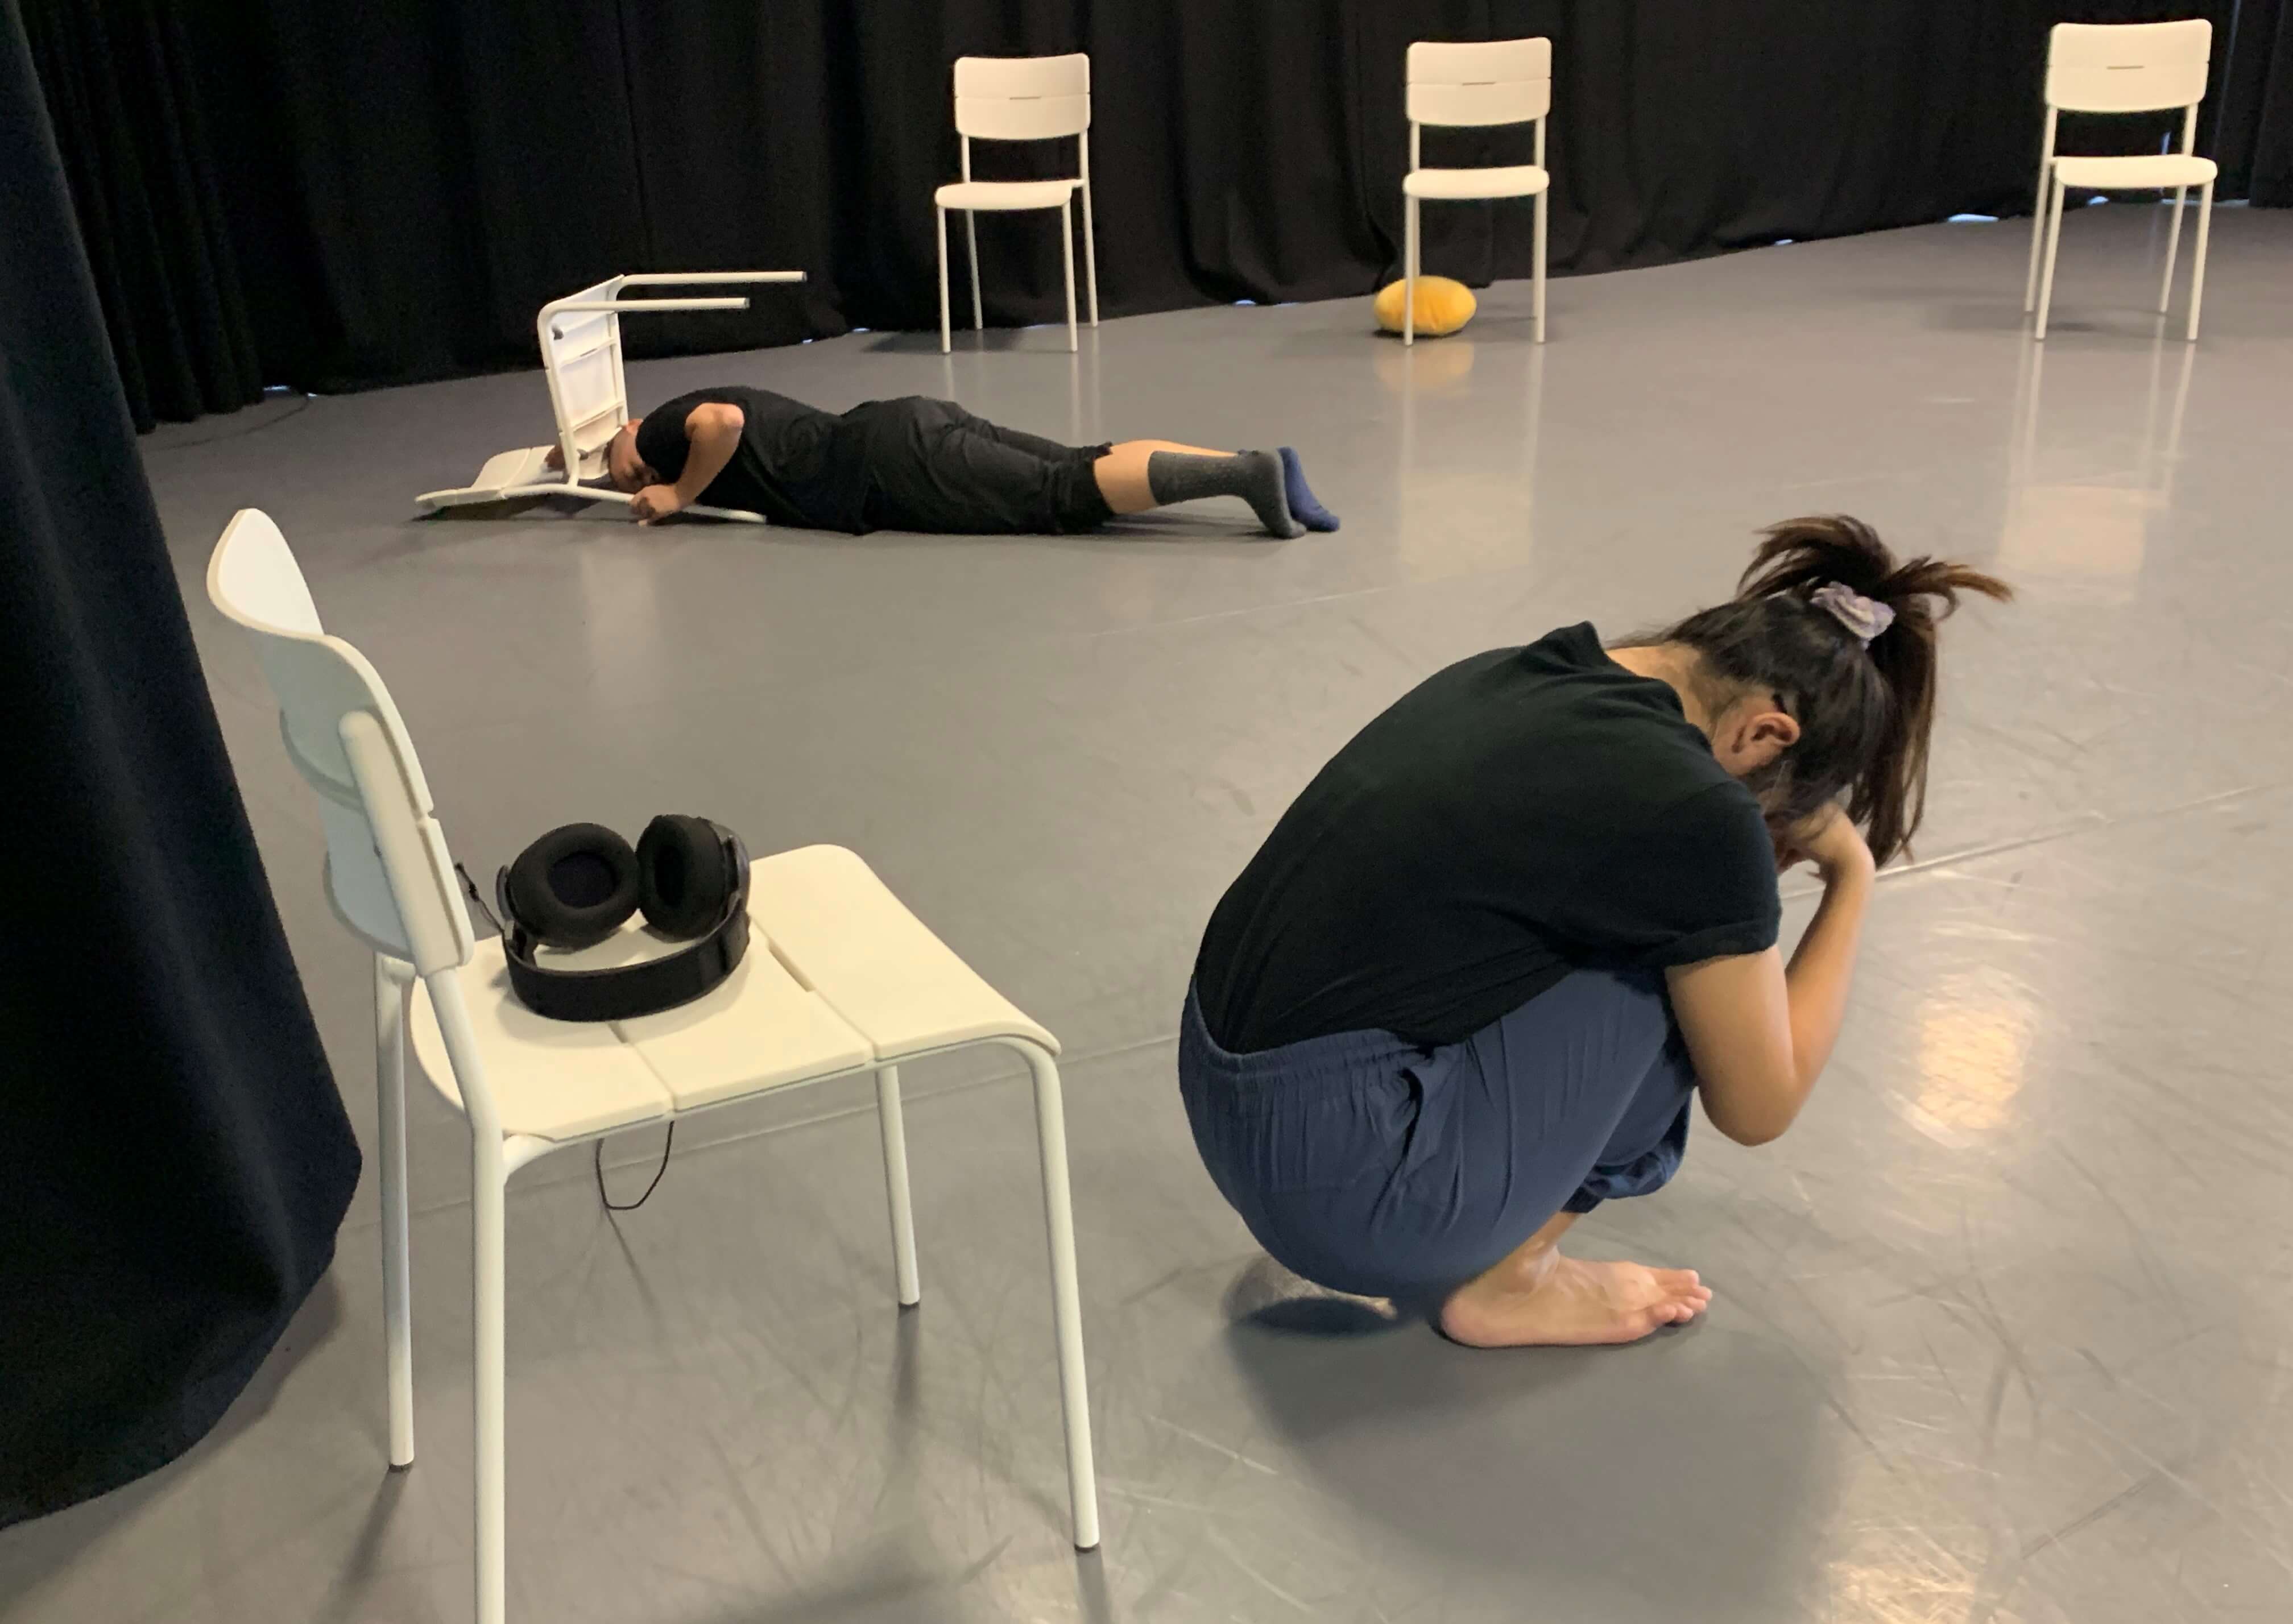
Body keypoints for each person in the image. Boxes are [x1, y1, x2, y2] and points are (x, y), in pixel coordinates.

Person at [1179, 516, 2010, 1348]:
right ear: (1765, 735)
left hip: (1227, 1098)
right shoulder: (1693, 811)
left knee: (1667, 929)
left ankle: (1465, 1215)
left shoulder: (1523, 671)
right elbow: (1763, 1105)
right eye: (1776, 811)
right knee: (1697, 974)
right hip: (1348, 1203)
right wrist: (1852, 880)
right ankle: (1515, 1279)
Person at [561, 385, 1340, 538]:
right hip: (902, 426)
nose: (620, 472)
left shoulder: (664, 430)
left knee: (1060, 493)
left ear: (629, 425)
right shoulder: (672, 423)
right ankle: (1253, 465)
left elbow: (722, 424)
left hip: (884, 463)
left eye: (612, 456)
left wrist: (673, 494)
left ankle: (1248, 478)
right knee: (1077, 460)